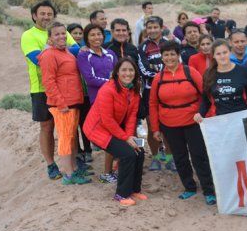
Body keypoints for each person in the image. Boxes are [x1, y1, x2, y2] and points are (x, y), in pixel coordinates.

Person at [149, 41, 216, 205]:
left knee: (199, 156)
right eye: (166, 55)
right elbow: (153, 104)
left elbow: (205, 94)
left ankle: (209, 190)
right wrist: (155, 129)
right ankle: (189, 187)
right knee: (180, 157)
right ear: (162, 57)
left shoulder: (190, 72)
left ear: (178, 55)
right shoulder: (158, 78)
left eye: (173, 54)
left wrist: (203, 114)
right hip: (169, 125)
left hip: (192, 121)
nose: (169, 57)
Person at [21, 1, 80, 180]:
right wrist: (58, 50)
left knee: (70, 127)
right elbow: (38, 59)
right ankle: (51, 164)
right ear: (34, 15)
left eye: (49, 14)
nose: (46, 16)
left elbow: (76, 50)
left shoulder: (60, 31)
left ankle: (73, 162)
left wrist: (59, 48)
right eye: (42, 13)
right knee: (47, 126)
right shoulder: (28, 35)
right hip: (40, 88)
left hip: (66, 89)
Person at [84, 58, 146, 206]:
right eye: (124, 70)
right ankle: (121, 194)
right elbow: (107, 120)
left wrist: (130, 136)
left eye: (131, 70)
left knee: (140, 151)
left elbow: (132, 116)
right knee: (127, 154)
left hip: (115, 129)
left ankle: (134, 190)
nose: (128, 73)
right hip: (97, 130)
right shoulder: (108, 89)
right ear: (117, 72)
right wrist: (125, 138)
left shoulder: (134, 90)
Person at [39, 22, 91, 185]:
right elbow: (49, 82)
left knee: (71, 136)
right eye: (57, 34)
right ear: (50, 39)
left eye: (63, 33)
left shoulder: (67, 52)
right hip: (62, 105)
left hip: (74, 101)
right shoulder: (49, 55)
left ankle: (74, 168)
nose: (61, 36)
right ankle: (68, 175)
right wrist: (61, 104)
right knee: (65, 138)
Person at [77, 23, 118, 182]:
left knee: (118, 132)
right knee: (109, 135)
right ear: (87, 38)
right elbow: (90, 79)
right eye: (92, 35)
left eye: (99, 34)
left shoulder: (110, 54)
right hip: (99, 101)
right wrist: (112, 82)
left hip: (116, 99)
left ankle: (115, 169)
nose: (96, 37)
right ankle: (107, 173)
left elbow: (119, 73)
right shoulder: (84, 55)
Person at [136, 16, 173, 171]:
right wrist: (163, 70)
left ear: (161, 27)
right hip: (150, 92)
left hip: (170, 90)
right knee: (152, 127)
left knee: (169, 126)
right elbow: (144, 70)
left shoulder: (171, 44)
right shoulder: (142, 47)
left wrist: (156, 68)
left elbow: (175, 64)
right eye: (149, 27)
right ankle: (156, 158)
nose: (152, 30)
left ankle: (171, 159)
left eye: (155, 27)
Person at [195, 39, 247, 121]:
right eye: (218, 54)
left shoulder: (242, 71)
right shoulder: (208, 74)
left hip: (242, 118)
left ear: (230, 52)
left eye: (225, 52)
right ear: (213, 55)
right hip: (222, 121)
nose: (222, 56)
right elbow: (206, 101)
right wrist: (200, 114)